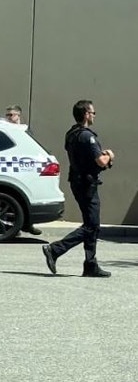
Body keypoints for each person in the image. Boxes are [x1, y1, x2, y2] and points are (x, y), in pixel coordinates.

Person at [42, 100, 114, 278]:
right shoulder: (87, 136)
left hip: (77, 182)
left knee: (91, 224)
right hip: (87, 184)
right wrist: (110, 155)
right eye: (93, 112)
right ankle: (55, 249)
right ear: (86, 114)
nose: (94, 115)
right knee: (92, 225)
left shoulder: (71, 134)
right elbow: (100, 161)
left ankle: (90, 264)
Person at [3, 104, 43, 236]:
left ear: (18, 116)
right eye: (7, 115)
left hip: (24, 167)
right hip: (8, 166)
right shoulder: (4, 129)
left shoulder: (25, 131)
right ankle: (13, 227)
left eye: (11, 115)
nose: (8, 117)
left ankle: (28, 225)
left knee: (25, 197)